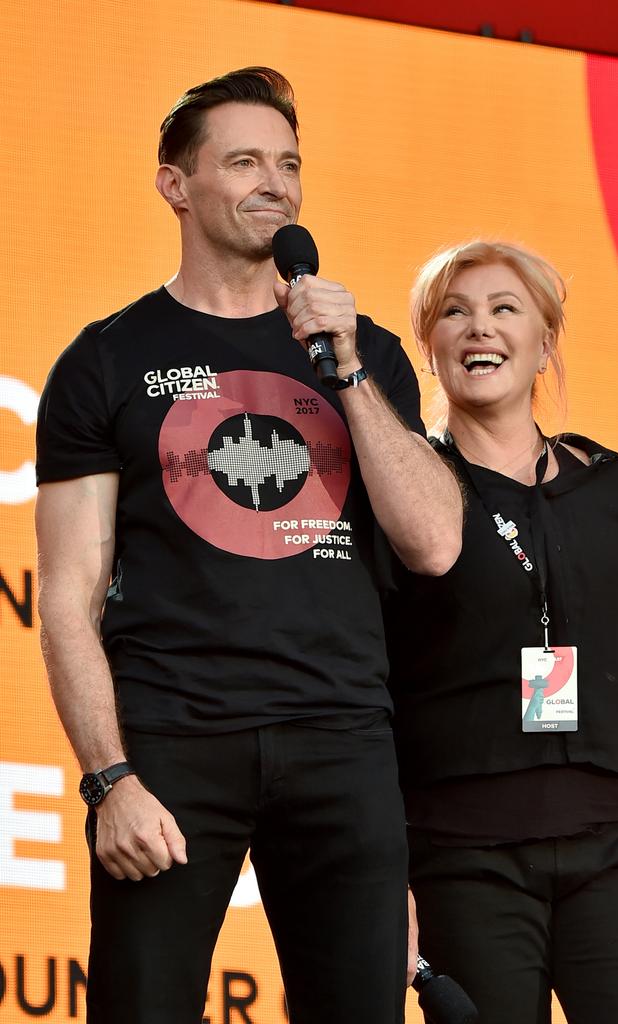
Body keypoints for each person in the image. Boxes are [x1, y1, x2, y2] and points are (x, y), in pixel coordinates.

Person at [34, 67, 462, 1024]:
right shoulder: (107, 358)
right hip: (173, 740)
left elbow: (435, 542)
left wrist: (345, 366)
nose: (277, 182)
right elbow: (68, 592)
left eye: (290, 164)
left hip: (342, 738)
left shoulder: (366, 350)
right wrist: (109, 778)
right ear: (174, 184)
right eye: (244, 161)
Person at [385, 240, 618, 1024]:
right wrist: (385, 878)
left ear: (545, 342)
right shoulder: (404, 501)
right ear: (429, 349)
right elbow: (363, 702)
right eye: (454, 312)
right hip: (465, 864)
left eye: (503, 309)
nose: (478, 328)